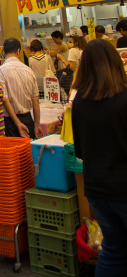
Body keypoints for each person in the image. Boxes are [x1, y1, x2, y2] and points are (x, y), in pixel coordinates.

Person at [71, 40, 127, 277]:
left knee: (113, 250)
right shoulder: (124, 97)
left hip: (96, 190)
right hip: (123, 186)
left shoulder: (79, 103)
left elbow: (80, 152)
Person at [0, 38, 43, 139]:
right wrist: (37, 125)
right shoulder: (29, 70)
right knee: (28, 152)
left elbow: (4, 99)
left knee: (14, 153)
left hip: (10, 122)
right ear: (18, 51)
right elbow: (36, 101)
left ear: (3, 52)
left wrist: (17, 123)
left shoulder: (0, 71)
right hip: (28, 119)